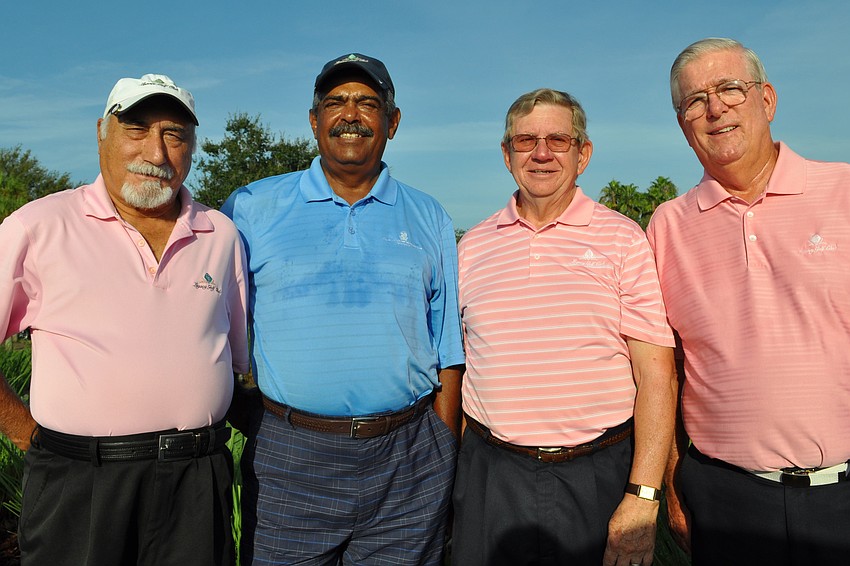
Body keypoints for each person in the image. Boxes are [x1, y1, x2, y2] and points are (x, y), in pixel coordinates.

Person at [222, 53, 464, 565]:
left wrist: (441, 443)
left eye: (367, 103)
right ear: (314, 121)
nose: (349, 114)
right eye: (335, 102)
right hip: (290, 457)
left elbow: (446, 344)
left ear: (392, 123)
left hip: (409, 457)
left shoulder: (428, 215)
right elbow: (216, 324)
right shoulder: (250, 208)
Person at [0, 74, 249, 565]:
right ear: (101, 132)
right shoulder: (38, 226)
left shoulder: (220, 235)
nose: (156, 153)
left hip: (196, 480)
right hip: (79, 483)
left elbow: (235, 357)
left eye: (174, 134)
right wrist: (24, 431)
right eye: (136, 128)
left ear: (191, 148)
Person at [646, 37, 850, 565]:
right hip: (722, 499)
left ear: (767, 100)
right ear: (682, 125)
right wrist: (670, 481)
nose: (714, 108)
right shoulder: (667, 226)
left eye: (730, 89)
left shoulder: (843, 191)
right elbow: (662, 366)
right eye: (694, 100)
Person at [452, 88, 676, 566]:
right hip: (491, 475)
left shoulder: (623, 239)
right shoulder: (471, 246)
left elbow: (657, 375)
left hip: (597, 476)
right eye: (526, 140)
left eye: (558, 139)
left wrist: (643, 495)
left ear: (583, 154)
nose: (541, 153)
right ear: (506, 154)